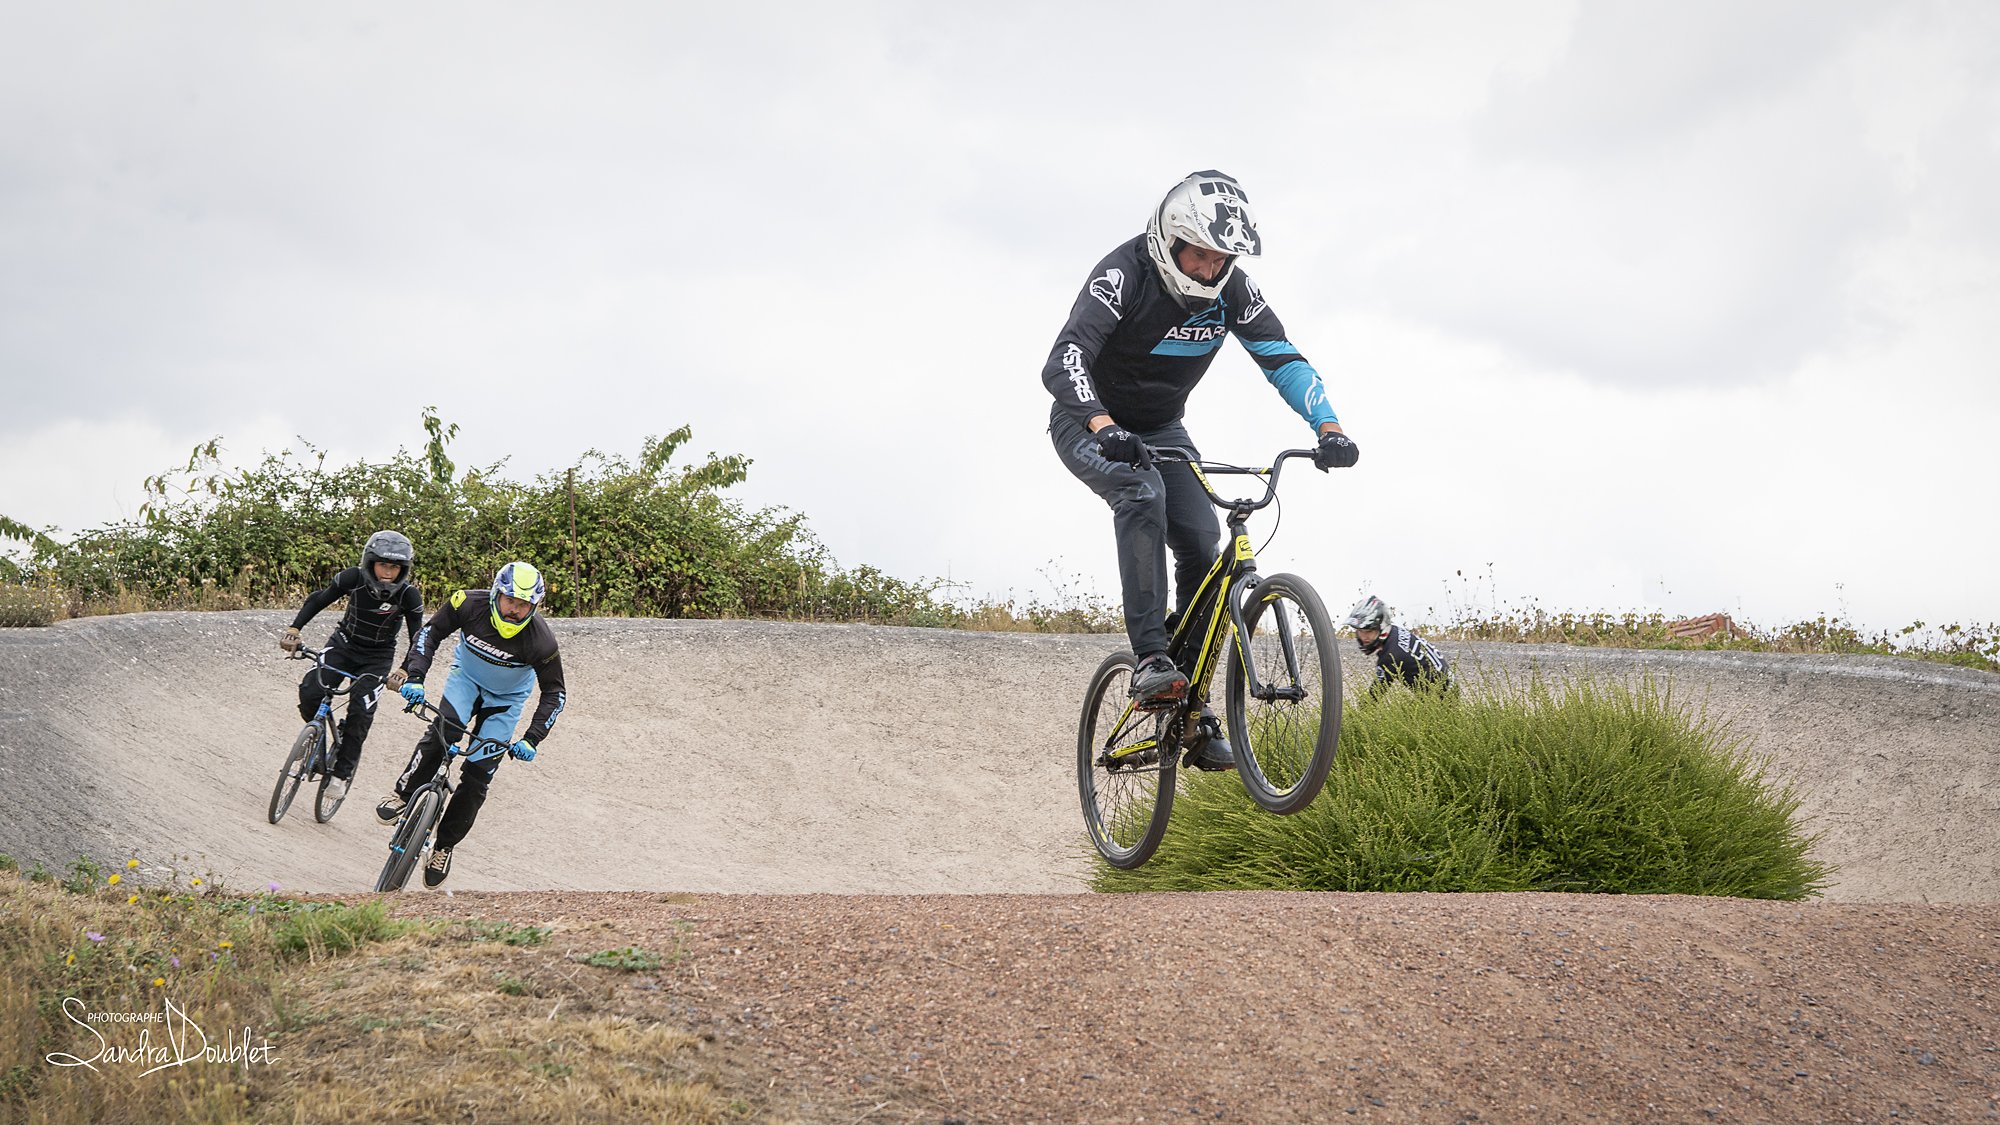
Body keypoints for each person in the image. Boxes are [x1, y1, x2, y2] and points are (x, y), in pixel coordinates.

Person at [1043, 170, 1359, 770]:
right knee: (1141, 495)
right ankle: (1151, 660)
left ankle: (1189, 703)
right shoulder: (1123, 274)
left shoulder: (1233, 287)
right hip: (1089, 422)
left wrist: (1329, 427)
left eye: (1223, 259)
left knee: (1202, 540)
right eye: (1203, 255)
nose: (1212, 270)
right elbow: (1066, 359)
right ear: (1170, 240)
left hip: (1161, 429)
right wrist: (1102, 425)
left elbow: (1282, 357)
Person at [380, 561, 566, 887]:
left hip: (504, 703)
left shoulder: (542, 642)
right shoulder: (465, 603)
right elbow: (430, 632)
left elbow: (555, 693)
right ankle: (403, 794)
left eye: (524, 605)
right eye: (510, 600)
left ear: (534, 607)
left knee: (478, 776)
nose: (514, 610)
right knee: (443, 730)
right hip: (465, 682)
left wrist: (532, 739)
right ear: (496, 594)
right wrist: (417, 676)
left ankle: (444, 845)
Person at [279, 530, 422, 802]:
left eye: (394, 567)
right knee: (311, 691)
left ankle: (341, 775)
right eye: (383, 564)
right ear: (370, 562)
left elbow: (418, 637)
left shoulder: (408, 596)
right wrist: (294, 629)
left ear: (403, 569)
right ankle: (314, 736)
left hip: (377, 658)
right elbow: (318, 600)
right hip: (343, 643)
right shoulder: (352, 578)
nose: (388, 572)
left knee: (360, 714)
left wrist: (404, 670)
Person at [1343, 595, 1452, 694]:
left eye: (1369, 631)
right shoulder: (1395, 633)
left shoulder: (1391, 655)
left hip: (1440, 697)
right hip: (1447, 682)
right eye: (1360, 631)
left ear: (1382, 627)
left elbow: (1375, 694)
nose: (1364, 637)